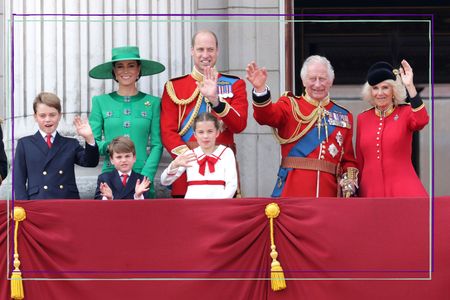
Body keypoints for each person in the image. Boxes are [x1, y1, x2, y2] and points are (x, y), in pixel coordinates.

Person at [246, 55, 358, 198]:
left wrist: (349, 180)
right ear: (304, 81)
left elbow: (348, 160)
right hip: (293, 191)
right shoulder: (290, 105)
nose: (317, 84)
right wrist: (260, 90)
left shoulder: (343, 115)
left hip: (328, 194)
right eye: (312, 79)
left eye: (322, 79)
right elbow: (265, 116)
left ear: (331, 81)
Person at [160, 30, 248, 198]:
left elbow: (239, 125)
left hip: (222, 170)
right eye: (200, 49)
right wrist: (191, 159)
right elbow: (167, 132)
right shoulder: (174, 87)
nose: (205, 55)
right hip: (187, 173)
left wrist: (216, 101)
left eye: (210, 49)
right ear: (192, 50)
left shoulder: (234, 84)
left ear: (217, 51)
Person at [89, 46, 164, 198]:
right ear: (114, 71)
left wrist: (145, 176)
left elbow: (157, 144)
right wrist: (111, 147)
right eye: (120, 66)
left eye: (131, 66)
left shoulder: (153, 103)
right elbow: (93, 142)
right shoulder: (100, 102)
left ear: (138, 70)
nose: (125, 71)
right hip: (111, 176)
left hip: (142, 179)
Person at [356, 60, 429, 197]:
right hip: (370, 191)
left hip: (403, 188)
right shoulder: (363, 118)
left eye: (385, 87)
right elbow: (360, 160)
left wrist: (410, 86)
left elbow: (422, 120)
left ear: (393, 90)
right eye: (375, 88)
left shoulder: (405, 112)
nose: (380, 93)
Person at [14, 92, 99, 200]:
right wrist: (22, 206)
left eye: (52, 115)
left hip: (66, 201)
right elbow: (19, 180)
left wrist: (89, 138)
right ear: (35, 117)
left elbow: (91, 162)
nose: (48, 119)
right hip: (38, 202)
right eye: (42, 115)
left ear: (59, 115)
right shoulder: (25, 144)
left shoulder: (70, 144)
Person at [160, 112, 237, 199]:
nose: (205, 136)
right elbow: (165, 181)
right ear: (195, 134)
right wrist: (174, 165)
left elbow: (232, 185)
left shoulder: (226, 153)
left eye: (210, 131)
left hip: (218, 207)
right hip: (192, 207)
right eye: (201, 132)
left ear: (217, 133)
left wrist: (219, 205)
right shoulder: (189, 154)